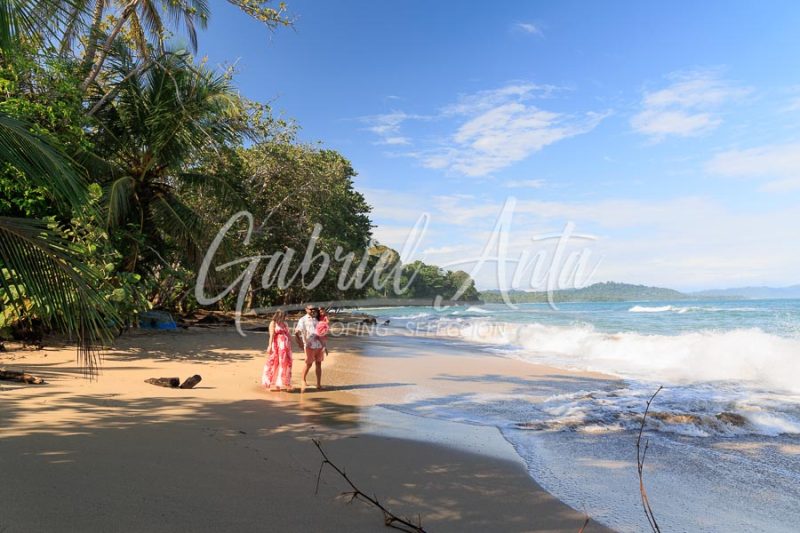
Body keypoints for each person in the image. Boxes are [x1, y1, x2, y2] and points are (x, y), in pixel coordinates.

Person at [295, 305, 325, 390]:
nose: (312, 311)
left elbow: (320, 333)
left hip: (319, 345)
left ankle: (318, 383)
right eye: (310, 309)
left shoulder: (316, 319)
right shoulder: (302, 320)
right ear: (306, 309)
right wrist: (300, 341)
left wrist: (324, 345)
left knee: (319, 364)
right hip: (309, 345)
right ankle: (303, 379)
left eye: (314, 309)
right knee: (309, 364)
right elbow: (298, 331)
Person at [262, 309, 292, 392]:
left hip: (285, 347)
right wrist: (269, 346)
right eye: (281, 316)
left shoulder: (285, 323)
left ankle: (281, 383)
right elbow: (271, 335)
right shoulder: (273, 323)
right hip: (277, 345)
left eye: (284, 316)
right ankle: (269, 382)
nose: (283, 318)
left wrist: (290, 344)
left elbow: (288, 334)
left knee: (284, 363)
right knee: (273, 362)